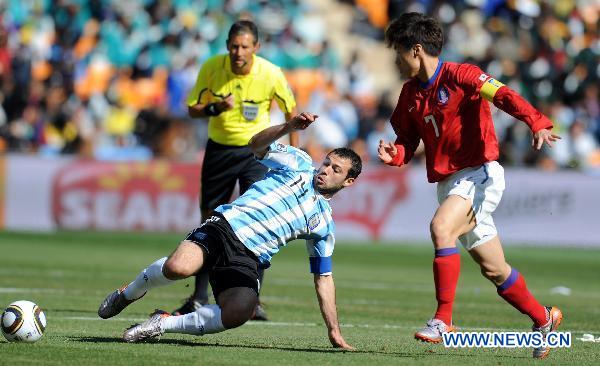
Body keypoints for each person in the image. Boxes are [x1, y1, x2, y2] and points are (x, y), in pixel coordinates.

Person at [378, 13, 563, 359]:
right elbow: (407, 140)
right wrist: (397, 153)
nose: (395, 59)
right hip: (449, 184)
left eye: (398, 51)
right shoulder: (409, 95)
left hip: (480, 174)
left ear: (416, 50)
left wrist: (536, 122)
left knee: (440, 227)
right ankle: (543, 319)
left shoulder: (461, 75)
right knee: (495, 269)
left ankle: (443, 320)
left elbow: (503, 94)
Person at [97, 112, 360, 350]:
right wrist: (288, 126)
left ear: (348, 181)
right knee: (177, 268)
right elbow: (255, 145)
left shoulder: (324, 226)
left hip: (251, 257)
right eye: (326, 162)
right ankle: (128, 293)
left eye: (335, 169)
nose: (325, 170)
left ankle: (161, 324)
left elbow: (323, 278)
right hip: (225, 226)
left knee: (239, 312)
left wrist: (334, 330)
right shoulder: (299, 163)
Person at [182, 20, 299, 320]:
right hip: (219, 150)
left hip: (256, 153)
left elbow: (291, 112)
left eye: (245, 46)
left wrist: (294, 155)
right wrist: (214, 108)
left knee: (258, 221)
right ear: (227, 46)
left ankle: (253, 300)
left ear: (256, 48)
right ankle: (198, 297)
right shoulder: (212, 68)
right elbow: (192, 108)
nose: (238, 51)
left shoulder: (271, 73)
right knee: (208, 219)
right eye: (234, 45)